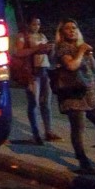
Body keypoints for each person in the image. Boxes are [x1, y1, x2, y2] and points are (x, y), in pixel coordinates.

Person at [54, 18, 95, 175]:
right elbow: (71, 66)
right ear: (61, 32)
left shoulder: (78, 46)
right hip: (73, 95)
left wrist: (89, 53)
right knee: (78, 130)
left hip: (88, 96)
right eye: (68, 28)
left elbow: (92, 67)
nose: (72, 30)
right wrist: (80, 52)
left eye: (74, 27)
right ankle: (84, 163)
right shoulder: (62, 48)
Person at [15, 16, 62, 145]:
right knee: (33, 102)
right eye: (34, 24)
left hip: (44, 70)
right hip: (32, 72)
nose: (37, 27)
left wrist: (49, 49)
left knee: (46, 102)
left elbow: (50, 56)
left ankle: (49, 131)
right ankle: (36, 134)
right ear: (28, 24)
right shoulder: (22, 36)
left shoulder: (42, 36)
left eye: (38, 24)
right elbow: (19, 53)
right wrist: (37, 48)